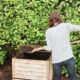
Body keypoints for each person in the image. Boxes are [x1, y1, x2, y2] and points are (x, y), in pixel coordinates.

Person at [32, 11, 80, 80]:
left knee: (57, 78)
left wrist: (42, 47)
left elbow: (49, 48)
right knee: (73, 77)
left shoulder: (48, 31)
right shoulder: (66, 26)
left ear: (50, 20)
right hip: (69, 58)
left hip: (57, 61)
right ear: (60, 18)